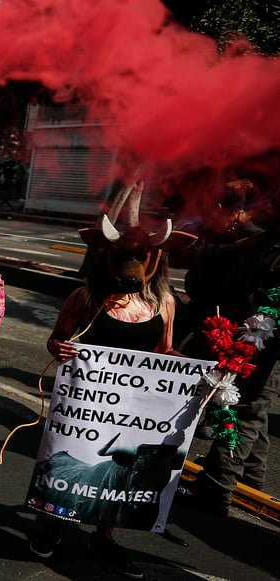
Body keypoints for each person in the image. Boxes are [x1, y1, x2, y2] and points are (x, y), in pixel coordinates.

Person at [29, 194, 185, 580]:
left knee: (120, 475)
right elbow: (56, 340)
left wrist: (189, 369)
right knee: (69, 460)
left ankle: (105, 536)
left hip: (133, 408)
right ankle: (54, 522)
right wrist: (61, 348)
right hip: (86, 403)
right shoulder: (85, 297)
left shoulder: (164, 303)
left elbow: (165, 352)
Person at [176, 187, 280, 514]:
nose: (264, 208)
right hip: (242, 336)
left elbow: (270, 301)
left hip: (260, 344)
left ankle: (219, 487)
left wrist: (251, 335)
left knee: (246, 410)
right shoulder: (261, 241)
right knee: (249, 409)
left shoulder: (272, 248)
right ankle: (250, 481)